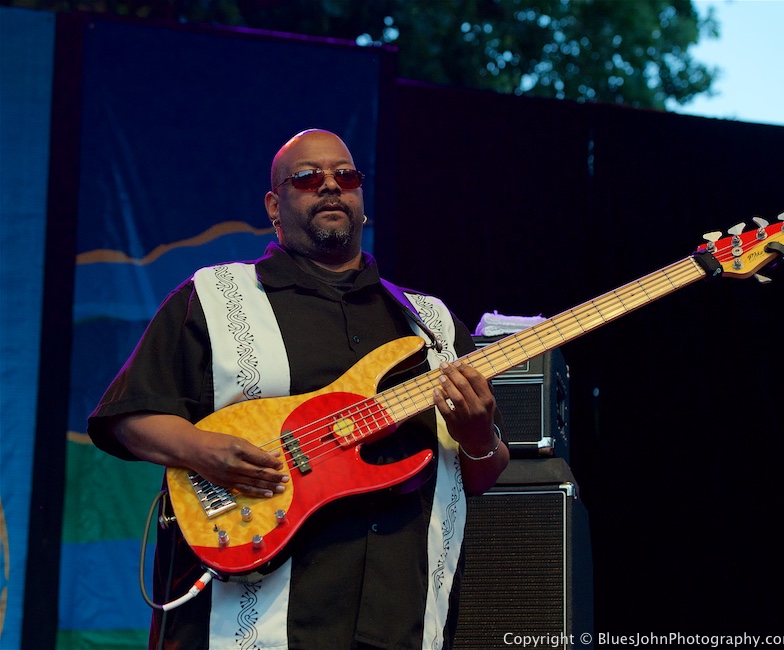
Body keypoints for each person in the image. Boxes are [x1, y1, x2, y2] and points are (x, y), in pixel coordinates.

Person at [88, 128, 509, 649]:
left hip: (402, 619)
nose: (330, 186)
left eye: (346, 176)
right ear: (274, 204)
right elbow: (128, 417)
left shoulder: (432, 324)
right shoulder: (215, 298)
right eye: (308, 178)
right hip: (246, 620)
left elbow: (484, 471)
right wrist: (204, 451)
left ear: (361, 198)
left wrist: (476, 433)